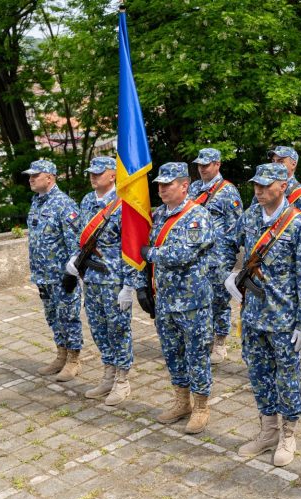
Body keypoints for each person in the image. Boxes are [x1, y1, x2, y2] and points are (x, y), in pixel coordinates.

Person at [223, 162, 301, 467]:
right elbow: (228, 242)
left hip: (284, 319)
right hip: (252, 314)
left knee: (287, 378)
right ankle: (267, 431)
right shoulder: (251, 216)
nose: (260, 191)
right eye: (256, 185)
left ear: (283, 185)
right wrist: (229, 272)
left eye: (266, 186)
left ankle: (288, 435)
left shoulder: (298, 225)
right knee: (258, 374)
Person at [65, 156, 143, 406]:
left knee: (118, 330)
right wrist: (76, 261)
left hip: (114, 280)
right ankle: (108, 374)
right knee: (98, 329)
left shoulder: (124, 204)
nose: (93, 177)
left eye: (99, 173)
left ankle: (122, 380)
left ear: (113, 176)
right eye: (91, 172)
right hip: (92, 278)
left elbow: (132, 247)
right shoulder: (88, 200)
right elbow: (82, 236)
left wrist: (129, 285)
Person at [145, 162, 215, 434]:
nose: (161, 189)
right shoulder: (159, 215)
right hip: (165, 299)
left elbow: (182, 254)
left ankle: (200, 407)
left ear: (184, 186)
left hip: (192, 302)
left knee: (197, 355)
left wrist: (149, 253)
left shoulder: (197, 216)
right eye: (160, 185)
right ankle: (181, 401)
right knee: (172, 353)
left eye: (168, 184)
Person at [24, 159, 84, 382]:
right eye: (30, 175)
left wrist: (72, 274)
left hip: (61, 276)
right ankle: (61, 354)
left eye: (35, 175)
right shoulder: (37, 202)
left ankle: (74, 360)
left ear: (49, 178)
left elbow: (76, 245)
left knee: (68, 317)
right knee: (52, 316)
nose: (30, 179)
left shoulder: (63, 204)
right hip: (43, 274)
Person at [187, 148, 244, 364]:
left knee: (219, 300)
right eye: (199, 164)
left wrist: (227, 254)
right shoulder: (193, 188)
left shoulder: (228, 191)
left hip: (218, 256)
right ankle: (203, 339)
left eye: (207, 164)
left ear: (217, 164)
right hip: (195, 255)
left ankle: (220, 342)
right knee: (198, 298)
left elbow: (236, 226)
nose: (202, 168)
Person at [266, 146, 301, 232]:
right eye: (273, 161)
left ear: (293, 164)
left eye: (280, 161)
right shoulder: (264, 189)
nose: (275, 165)